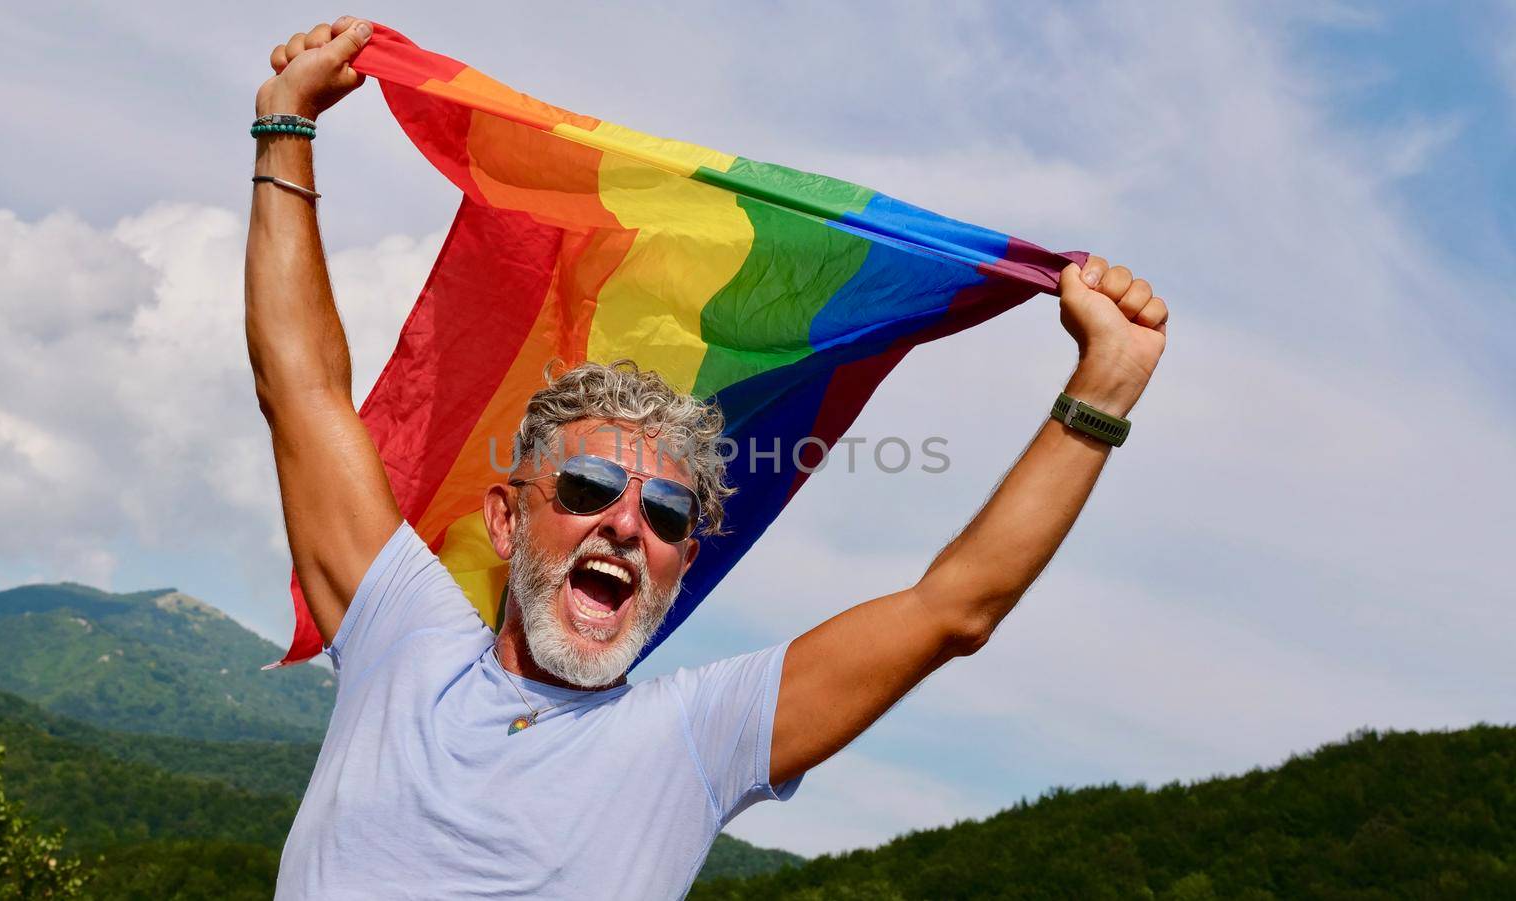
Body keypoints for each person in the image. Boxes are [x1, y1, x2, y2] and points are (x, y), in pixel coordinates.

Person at [247, 17, 1170, 901]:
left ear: (685, 561)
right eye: (588, 485)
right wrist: (286, 127)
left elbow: (953, 608)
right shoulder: (406, 643)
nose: (623, 522)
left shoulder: (696, 735)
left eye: (666, 515)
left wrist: (1102, 394)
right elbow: (303, 391)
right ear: (507, 515)